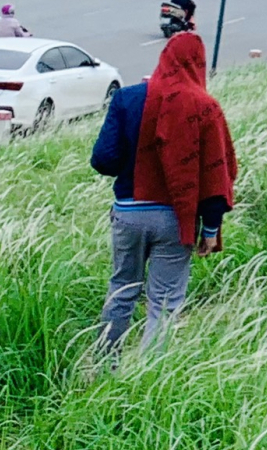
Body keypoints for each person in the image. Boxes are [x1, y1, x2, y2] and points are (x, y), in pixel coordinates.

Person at [90, 32, 236, 352]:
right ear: (198, 64)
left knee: (122, 290)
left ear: (164, 58)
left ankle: (103, 366)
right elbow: (215, 176)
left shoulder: (127, 98)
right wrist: (210, 230)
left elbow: (103, 160)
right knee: (165, 302)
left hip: (128, 214)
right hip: (175, 218)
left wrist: (134, 161)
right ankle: (149, 378)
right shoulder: (206, 107)